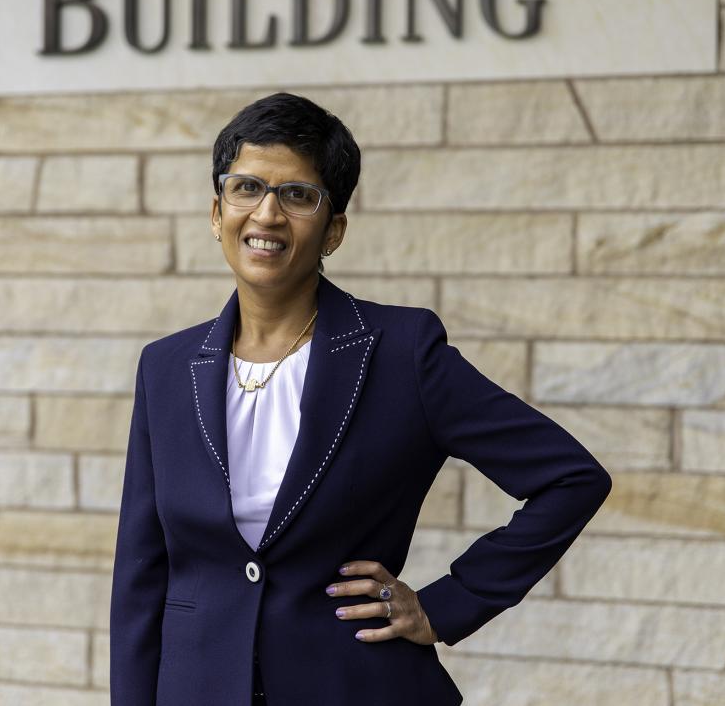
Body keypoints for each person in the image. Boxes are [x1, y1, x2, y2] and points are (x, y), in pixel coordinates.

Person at [109, 91, 613, 706]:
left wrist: (445, 604)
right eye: (247, 188)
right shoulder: (166, 368)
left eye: (297, 195)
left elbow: (570, 478)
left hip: (353, 685)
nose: (266, 214)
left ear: (334, 229)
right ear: (217, 212)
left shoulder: (402, 353)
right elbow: (141, 574)